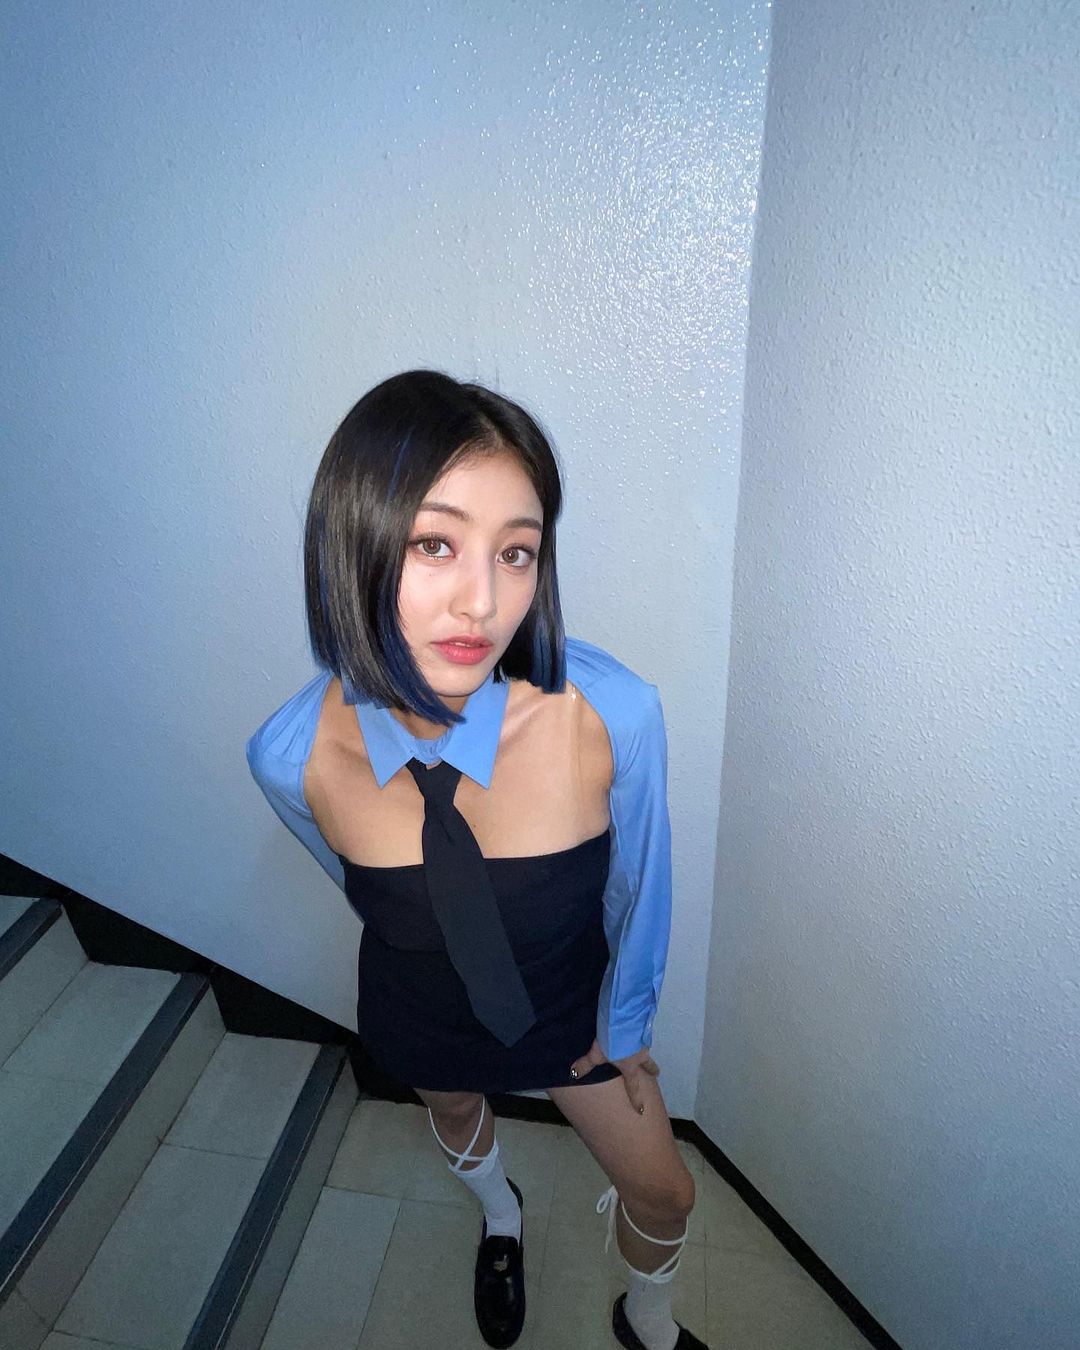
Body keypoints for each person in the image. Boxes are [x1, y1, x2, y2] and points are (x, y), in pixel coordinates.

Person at [245, 369, 706, 1350]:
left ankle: (650, 1325)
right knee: (455, 1116)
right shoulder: (290, 757)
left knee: (666, 1191)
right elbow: (356, 883)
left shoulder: (610, 716)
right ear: (353, 541)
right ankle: (502, 1217)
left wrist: (625, 1024)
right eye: (435, 544)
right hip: (422, 1008)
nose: (484, 602)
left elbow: (640, 887)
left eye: (517, 552)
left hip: (571, 1011)